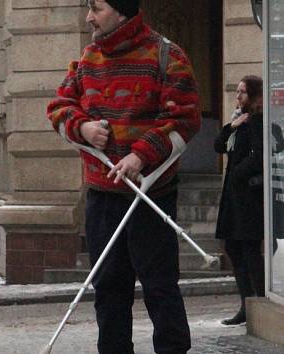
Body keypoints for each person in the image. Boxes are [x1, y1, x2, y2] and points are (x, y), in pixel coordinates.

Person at [46, 1, 200, 353]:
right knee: (109, 290)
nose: (89, 17)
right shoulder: (87, 60)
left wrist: (140, 155)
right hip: (103, 196)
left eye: (97, 8)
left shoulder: (166, 56)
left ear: (122, 12)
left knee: (161, 288)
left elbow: (184, 121)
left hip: (151, 195)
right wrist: (82, 128)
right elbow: (58, 107)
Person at [214, 75, 265, 326]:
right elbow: (218, 146)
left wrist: (237, 173)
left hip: (248, 197)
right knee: (233, 247)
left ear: (253, 95)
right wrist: (231, 127)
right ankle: (246, 303)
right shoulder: (239, 121)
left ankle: (260, 301)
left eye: (243, 92)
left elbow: (259, 157)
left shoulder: (256, 121)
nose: (238, 97)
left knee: (249, 250)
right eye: (237, 92)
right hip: (233, 197)